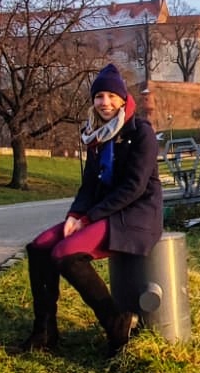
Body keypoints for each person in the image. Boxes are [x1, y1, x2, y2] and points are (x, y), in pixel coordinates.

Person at [20, 64, 163, 355]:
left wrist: (89, 217)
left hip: (135, 216)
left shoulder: (141, 132)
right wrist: (75, 214)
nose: (105, 102)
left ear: (123, 99)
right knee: (39, 247)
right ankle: (44, 333)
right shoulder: (95, 135)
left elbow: (134, 187)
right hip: (103, 213)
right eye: (99, 96)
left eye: (111, 95)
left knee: (65, 253)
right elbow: (88, 186)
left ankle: (117, 324)